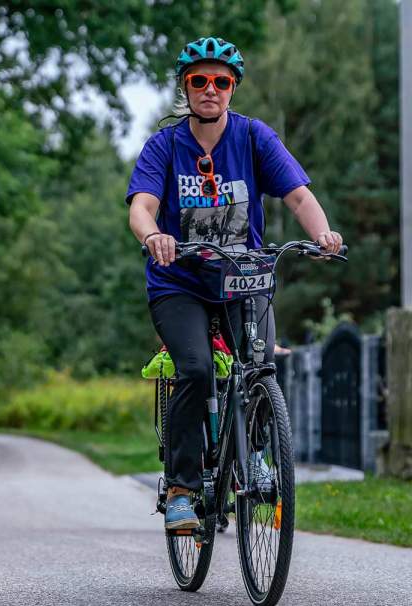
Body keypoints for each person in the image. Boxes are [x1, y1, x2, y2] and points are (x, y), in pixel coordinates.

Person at [127, 36, 342, 530]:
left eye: (220, 82)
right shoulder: (165, 145)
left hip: (244, 279)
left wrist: (324, 234)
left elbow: (299, 198)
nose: (210, 89)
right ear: (186, 86)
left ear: (232, 89)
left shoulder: (252, 138)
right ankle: (182, 488)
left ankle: (256, 458)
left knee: (260, 367)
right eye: (199, 80)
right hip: (178, 282)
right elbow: (142, 205)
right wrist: (155, 234)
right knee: (198, 369)